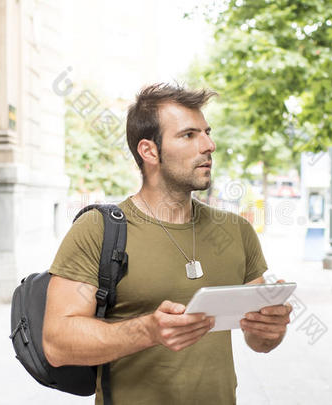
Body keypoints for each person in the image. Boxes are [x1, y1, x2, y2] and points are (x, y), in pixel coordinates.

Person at [42, 83, 292, 404]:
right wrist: (147, 331)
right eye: (189, 135)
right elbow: (57, 344)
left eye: (207, 132)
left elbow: (260, 342)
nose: (209, 145)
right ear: (149, 151)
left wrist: (271, 327)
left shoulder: (236, 231)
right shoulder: (97, 229)